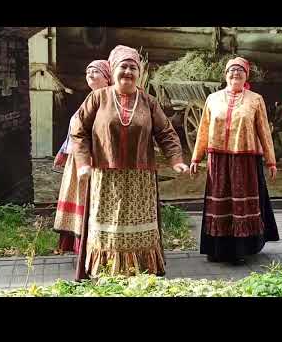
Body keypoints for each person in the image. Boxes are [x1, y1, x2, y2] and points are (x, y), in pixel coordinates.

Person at [71, 45, 188, 278]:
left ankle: (142, 270)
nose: (128, 72)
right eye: (123, 67)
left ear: (140, 72)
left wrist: (176, 159)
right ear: (113, 70)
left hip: (140, 177)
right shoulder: (98, 98)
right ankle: (105, 270)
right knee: (108, 226)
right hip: (106, 176)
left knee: (141, 228)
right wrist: (83, 163)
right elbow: (79, 131)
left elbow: (166, 132)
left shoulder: (148, 101)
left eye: (133, 67)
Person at [190, 57, 279, 265]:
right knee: (219, 204)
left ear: (246, 75)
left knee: (241, 205)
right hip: (218, 160)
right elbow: (203, 129)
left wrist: (271, 160)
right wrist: (196, 156)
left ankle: (241, 249)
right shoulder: (212, 99)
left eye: (240, 70)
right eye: (231, 70)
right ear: (225, 74)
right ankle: (216, 248)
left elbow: (264, 131)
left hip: (245, 159)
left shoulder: (255, 100)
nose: (235, 74)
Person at [53, 60, 113, 259]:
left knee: (91, 200)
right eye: (88, 71)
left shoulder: (107, 99)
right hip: (77, 159)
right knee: (79, 198)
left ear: (107, 77)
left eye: (96, 72)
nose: (90, 75)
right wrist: (63, 153)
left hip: (93, 159)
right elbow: (75, 130)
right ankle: (81, 247)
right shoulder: (89, 98)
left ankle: (94, 247)